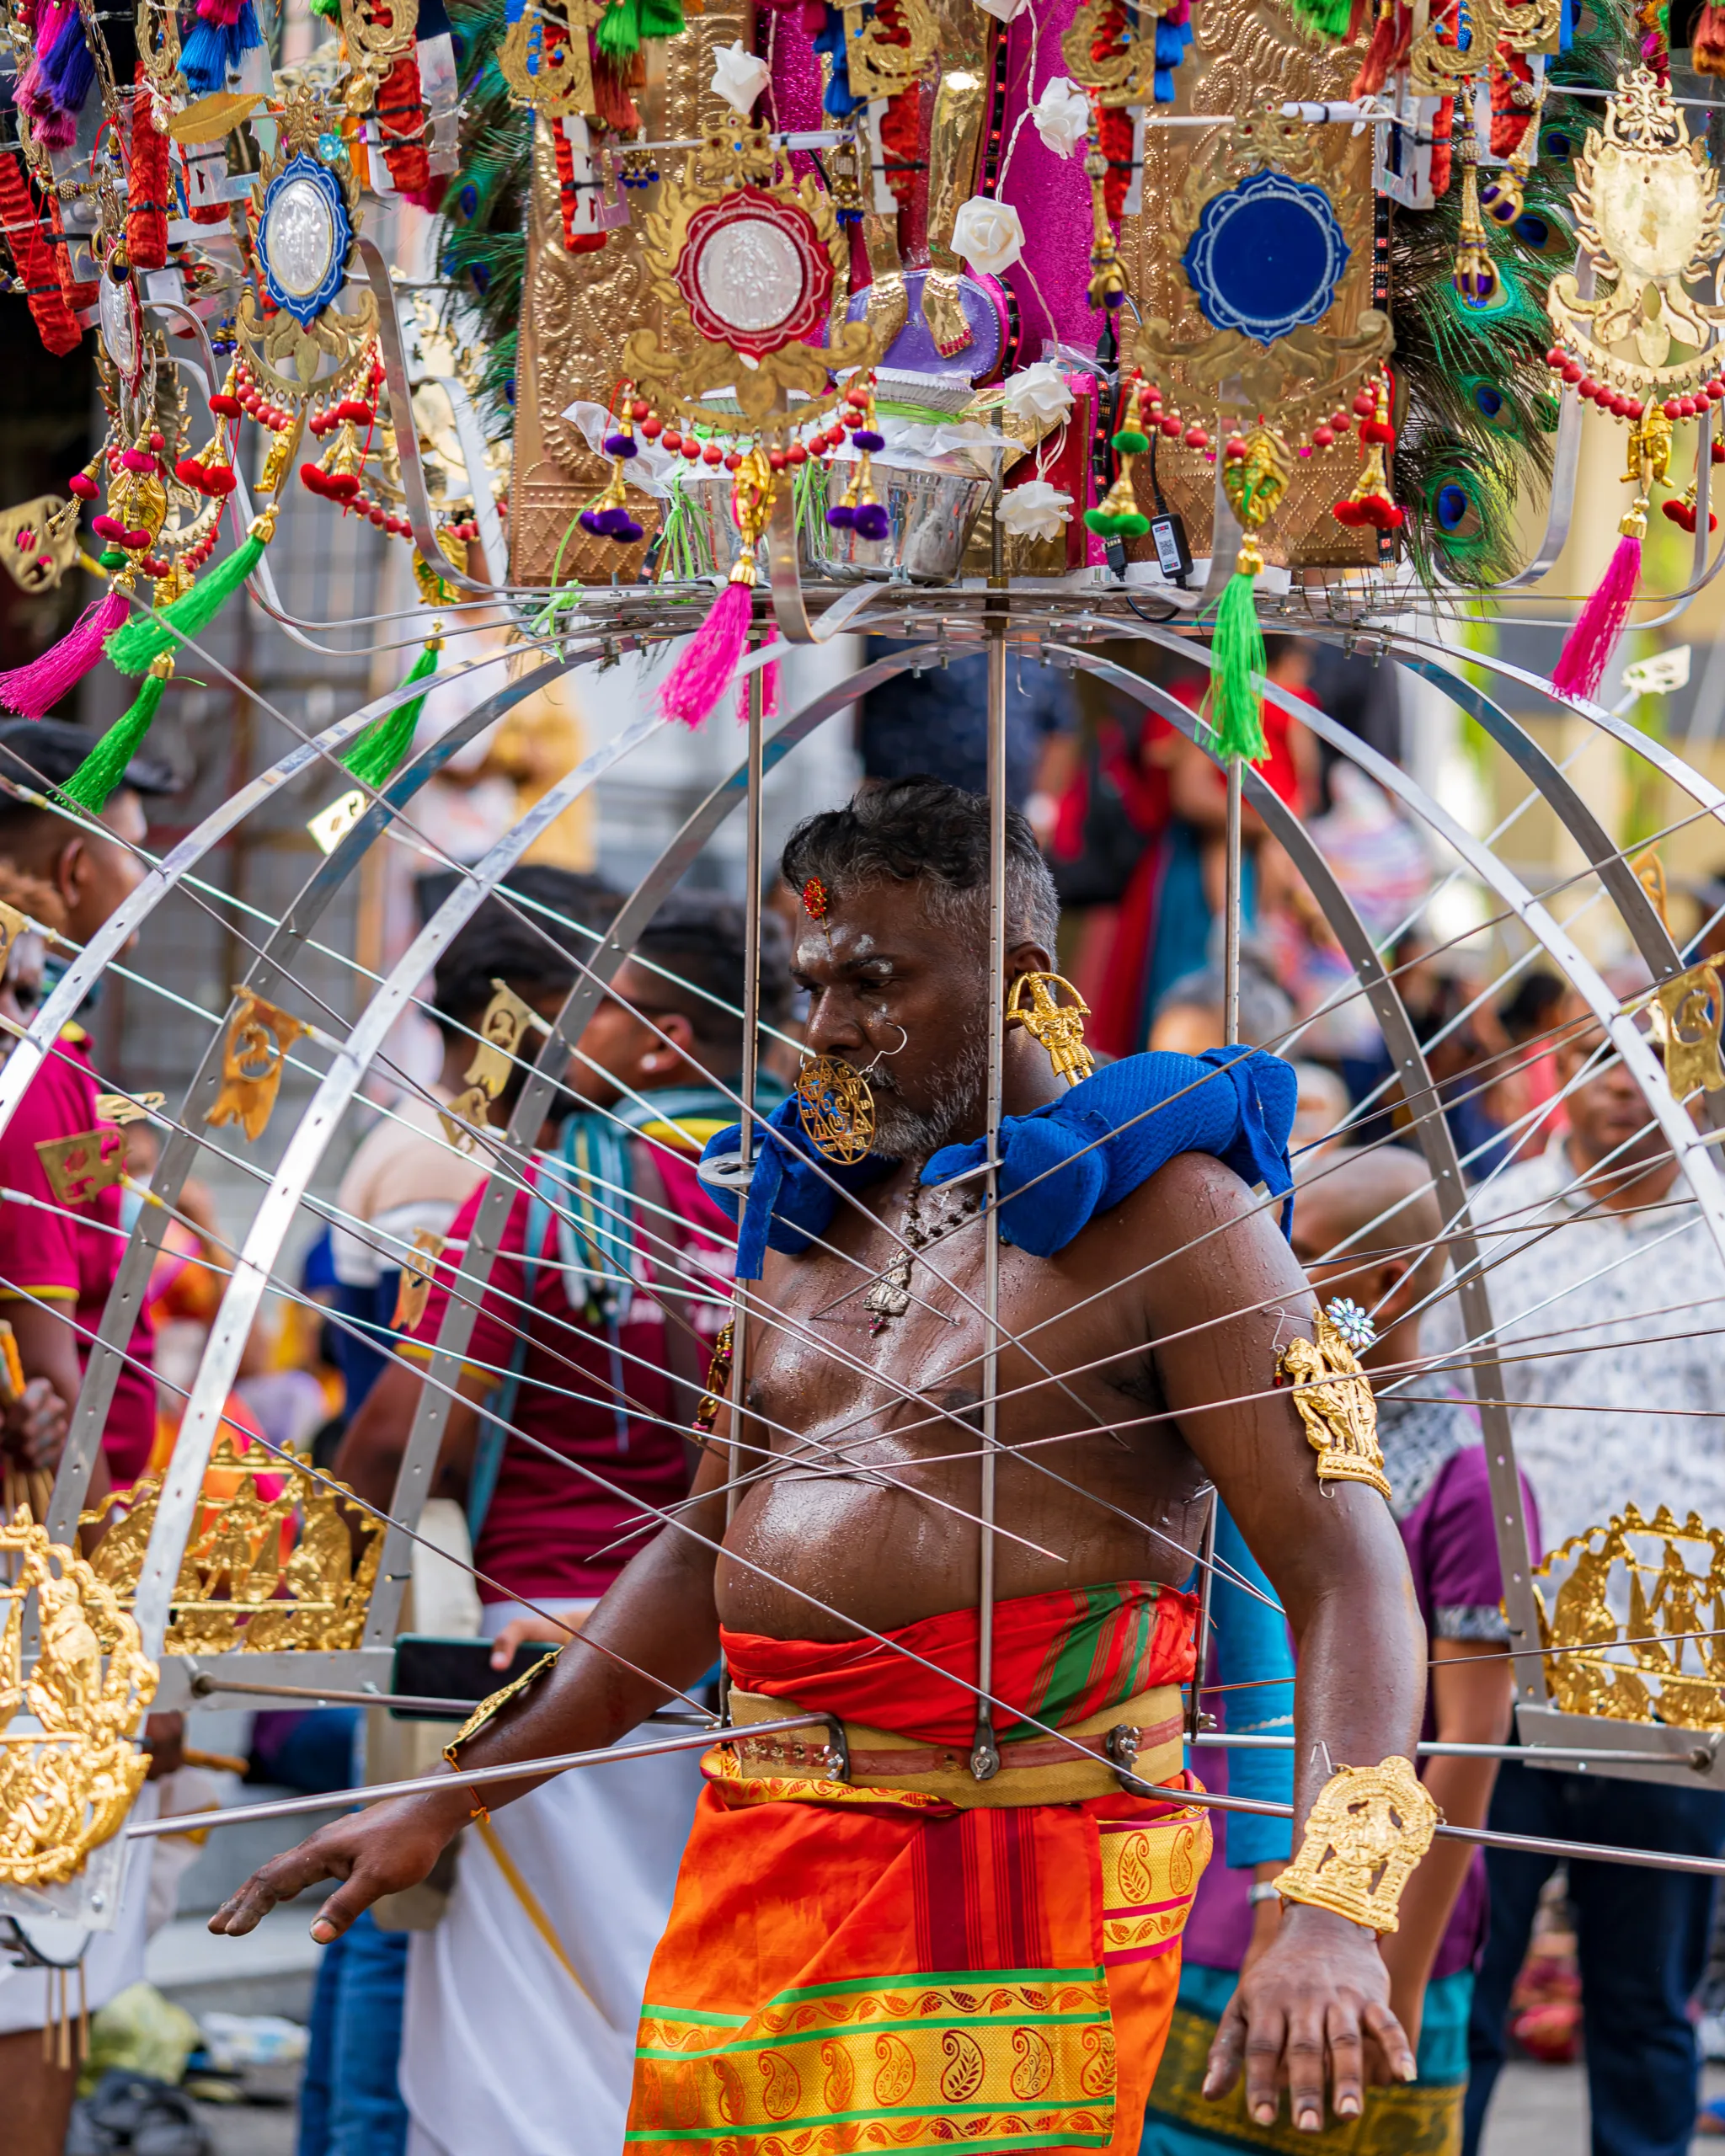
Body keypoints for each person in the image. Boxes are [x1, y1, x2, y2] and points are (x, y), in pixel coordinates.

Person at [213, 778, 1431, 2156]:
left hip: (1017, 1866)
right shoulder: (806, 1214)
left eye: (877, 979)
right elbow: (695, 1555)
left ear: (1019, 976)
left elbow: (1346, 1571)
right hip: (758, 1864)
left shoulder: (1175, 1214)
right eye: (810, 985)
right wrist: (453, 1795)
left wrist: (1333, 1908)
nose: (830, 1027)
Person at [321, 893, 785, 2156]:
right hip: (760, 1680)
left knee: (523, 2064)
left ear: (662, 1034)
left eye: (599, 1008)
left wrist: (352, 1548)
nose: (557, 1034)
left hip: (539, 1677)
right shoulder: (824, 1204)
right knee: (690, 2011)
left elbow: (401, 1441)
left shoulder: (546, 1194)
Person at [1415, 985, 1725, 2156]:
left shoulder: (1721, 1224)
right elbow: (1431, 1428)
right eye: (1601, 1048)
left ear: (1695, 1076)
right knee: (1471, 1982)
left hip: (1674, 1671)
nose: (1622, 1075)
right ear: (1563, 1066)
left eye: (1651, 1054)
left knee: (1648, 2004)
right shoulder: (1495, 1226)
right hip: (1501, 1663)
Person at [0, 720, 179, 2156]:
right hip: (31, 1566)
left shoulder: (54, 1068)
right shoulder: (37, 1073)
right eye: (133, 842)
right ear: (71, 866)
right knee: (31, 1978)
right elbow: (57, 1386)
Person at [328, 867, 621, 1412]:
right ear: (505, 1018)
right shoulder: (442, 1160)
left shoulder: (471, 1141)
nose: (603, 1037)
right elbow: (428, 1408)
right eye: (581, 1012)